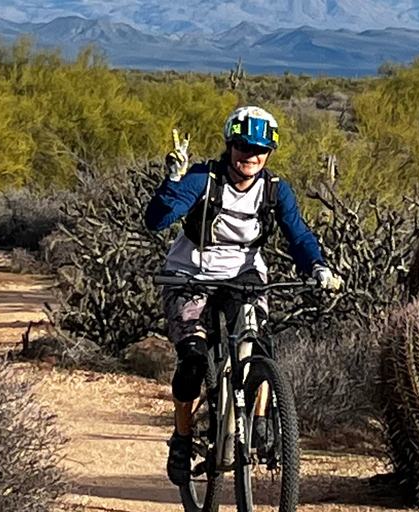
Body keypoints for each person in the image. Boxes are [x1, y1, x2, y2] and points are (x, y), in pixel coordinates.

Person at [144, 106, 342, 486]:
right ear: (229, 146)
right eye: (242, 146)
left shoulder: (275, 190)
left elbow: (298, 235)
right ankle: (182, 438)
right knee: (193, 363)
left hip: (245, 276)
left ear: (269, 153)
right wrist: (172, 180)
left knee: (258, 346)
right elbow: (157, 221)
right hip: (190, 274)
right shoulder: (202, 179)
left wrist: (317, 266)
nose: (249, 156)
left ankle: (263, 421)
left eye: (259, 149)